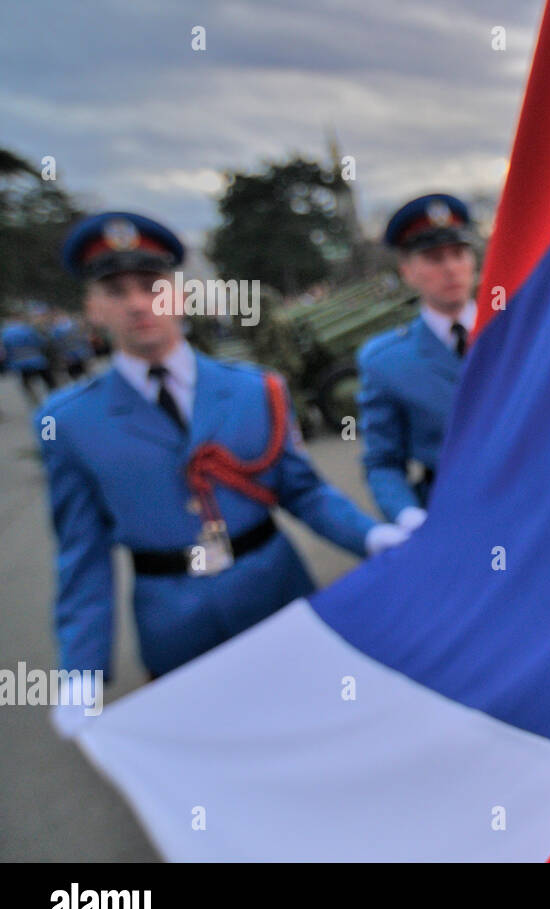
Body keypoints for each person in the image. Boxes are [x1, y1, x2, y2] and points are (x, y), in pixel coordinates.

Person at [36, 211, 411, 735]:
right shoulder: (70, 422)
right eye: (116, 290)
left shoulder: (255, 390)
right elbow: (83, 554)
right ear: (93, 308)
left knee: (319, 730)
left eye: (151, 285)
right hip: (175, 624)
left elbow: (303, 492)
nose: (138, 303)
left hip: (277, 597)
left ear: (181, 296)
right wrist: (83, 671)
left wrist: (371, 535)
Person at [356, 193, 478, 526]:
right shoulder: (387, 362)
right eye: (434, 258)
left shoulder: (516, 332)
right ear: (408, 271)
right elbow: (383, 461)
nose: (451, 268)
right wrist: (409, 516)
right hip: (450, 512)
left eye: (458, 254)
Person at [2, 316, 56, 405]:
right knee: (48, 380)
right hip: (36, 359)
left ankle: (35, 402)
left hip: (19, 363)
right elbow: (40, 342)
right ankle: (54, 398)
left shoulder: (5, 333)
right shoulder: (27, 329)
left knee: (27, 383)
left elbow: (5, 351)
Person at [48, 312, 95, 380]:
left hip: (76, 352)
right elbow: (57, 345)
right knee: (79, 372)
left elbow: (82, 338)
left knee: (82, 371)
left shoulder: (60, 329)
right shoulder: (59, 330)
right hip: (72, 353)